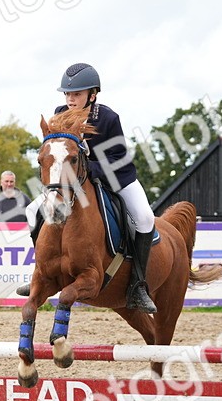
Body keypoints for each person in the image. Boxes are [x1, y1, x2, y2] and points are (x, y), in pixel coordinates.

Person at [20, 63, 157, 312]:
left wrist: (89, 167)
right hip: (76, 184)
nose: (71, 99)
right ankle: (41, 273)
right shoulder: (59, 115)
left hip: (116, 178)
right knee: (32, 210)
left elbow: (118, 158)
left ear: (92, 95)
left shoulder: (107, 118)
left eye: (77, 94)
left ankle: (137, 285)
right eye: (68, 94)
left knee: (145, 218)